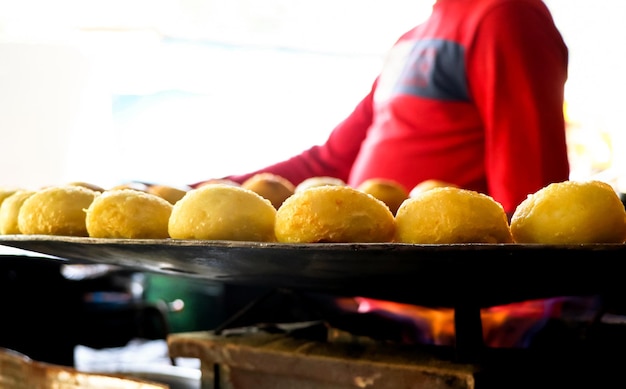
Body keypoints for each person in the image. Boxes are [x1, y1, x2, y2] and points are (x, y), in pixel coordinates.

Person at [192, 0, 570, 219]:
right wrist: (196, 192)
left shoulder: (506, 14)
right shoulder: (410, 40)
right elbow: (329, 162)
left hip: (451, 297)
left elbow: (532, 194)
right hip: (378, 291)